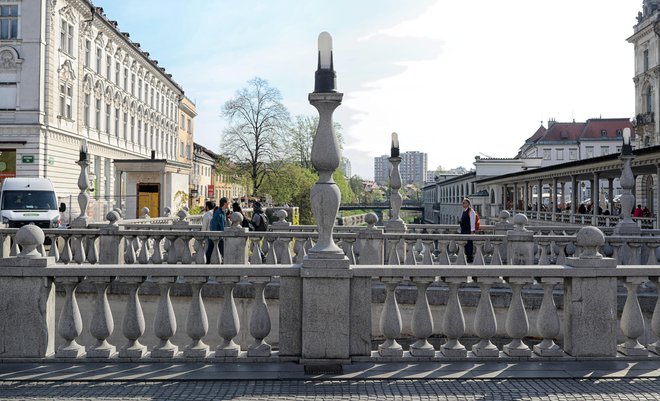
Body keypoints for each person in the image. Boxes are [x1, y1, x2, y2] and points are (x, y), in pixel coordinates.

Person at [459, 198, 476, 263]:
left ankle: (470, 258)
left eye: (464, 203)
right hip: (464, 230)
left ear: (468, 204)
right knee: (465, 245)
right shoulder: (465, 211)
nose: (463, 204)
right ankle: (468, 257)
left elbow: (472, 221)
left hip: (468, 231)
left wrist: (472, 231)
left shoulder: (471, 211)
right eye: (463, 203)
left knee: (469, 245)